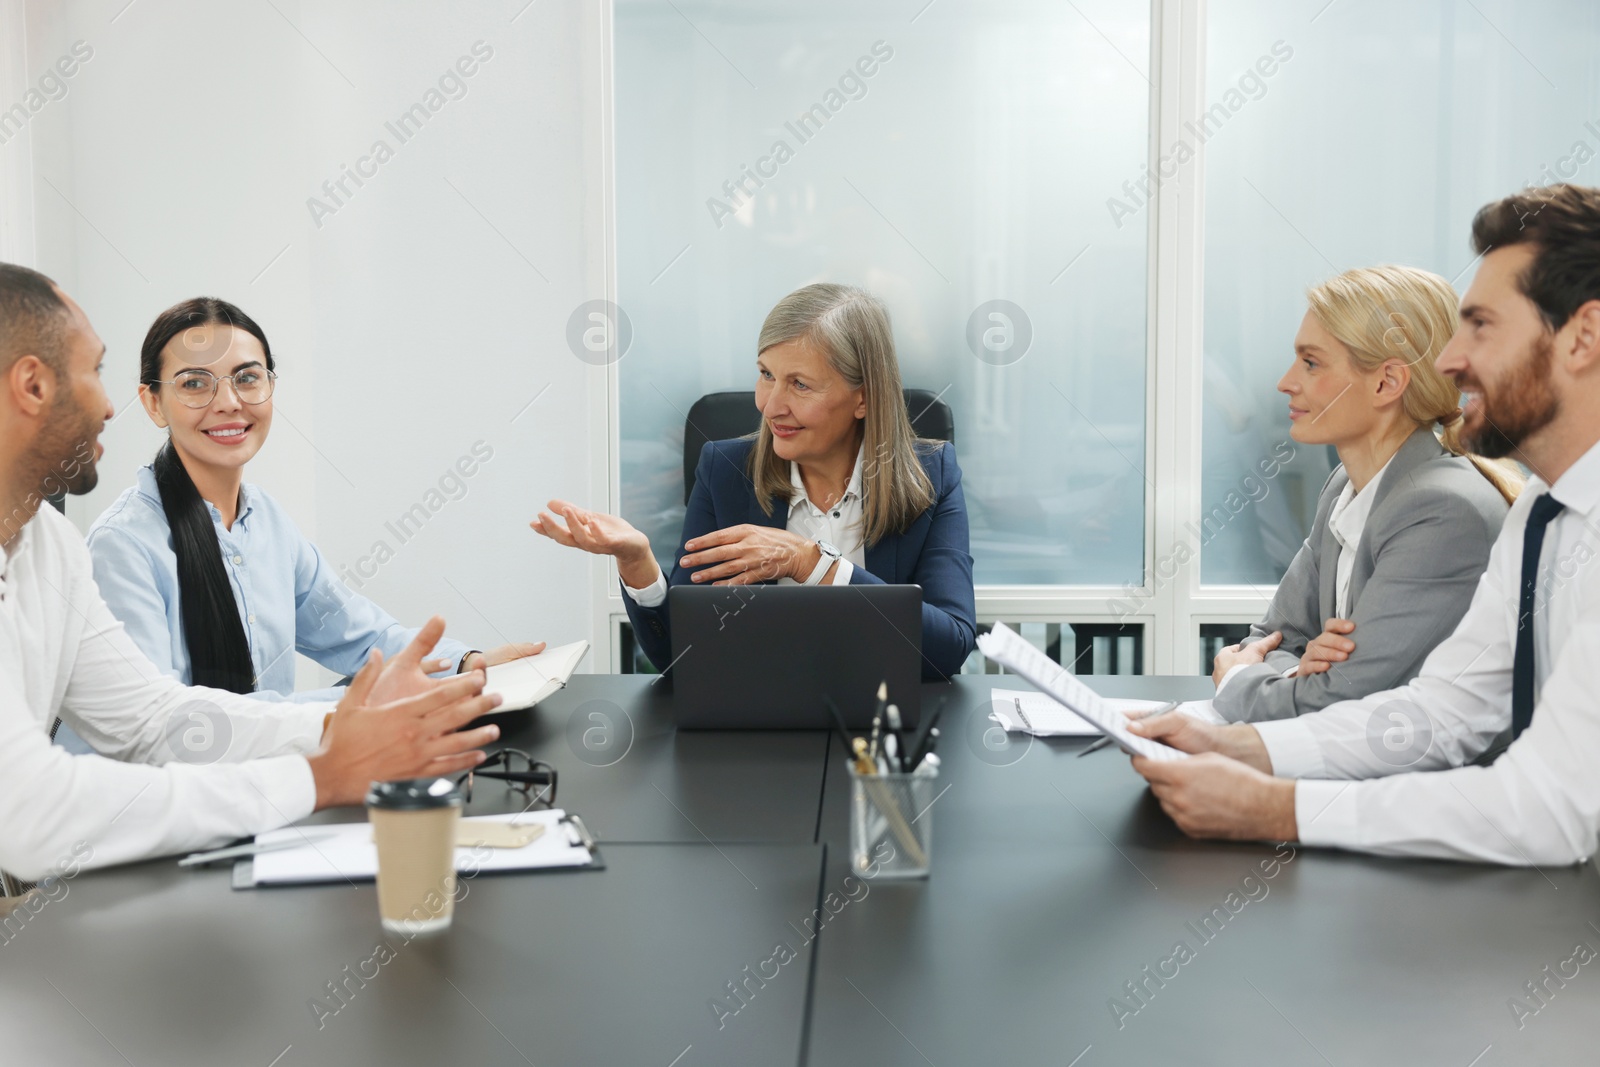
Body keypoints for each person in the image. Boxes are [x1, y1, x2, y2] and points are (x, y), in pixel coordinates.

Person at [1129, 184, 1600, 866]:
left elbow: (1551, 808)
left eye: (1483, 325)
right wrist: (1245, 745)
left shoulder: (1472, 507)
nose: (1447, 359)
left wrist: (1274, 803)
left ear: (1584, 337)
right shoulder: (1541, 513)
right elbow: (1444, 711)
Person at [0, 264, 502, 883]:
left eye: (246, 378)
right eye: (95, 372)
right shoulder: (118, 541)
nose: (107, 405)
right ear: (32, 385)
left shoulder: (49, 546)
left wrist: (348, 728)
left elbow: (157, 720)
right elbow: (29, 814)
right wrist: (322, 770)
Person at [85, 297, 540, 702]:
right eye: (194, 383)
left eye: (247, 378)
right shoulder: (122, 544)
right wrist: (356, 703)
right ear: (152, 402)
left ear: (270, 387)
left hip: (263, 776)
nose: (228, 402)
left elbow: (361, 637)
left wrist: (467, 664)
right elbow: (170, 723)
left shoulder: (265, 521)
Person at [531, 282, 976, 680]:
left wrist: (811, 562)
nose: (770, 405)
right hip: (752, 734)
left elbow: (949, 649)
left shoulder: (931, 475)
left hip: (885, 728)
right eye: (766, 374)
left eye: (800, 385)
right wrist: (636, 561)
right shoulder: (724, 470)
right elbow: (678, 658)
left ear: (863, 398)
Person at [1210, 266, 1519, 723]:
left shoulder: (1444, 510)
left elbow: (1341, 704)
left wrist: (1239, 682)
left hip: (1428, 784)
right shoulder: (1345, 487)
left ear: (1387, 383)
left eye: (1311, 363)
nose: (1286, 382)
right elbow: (1269, 638)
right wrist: (1301, 668)